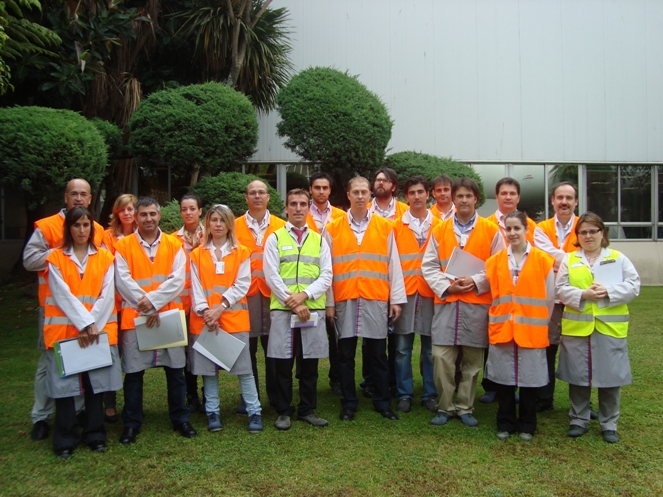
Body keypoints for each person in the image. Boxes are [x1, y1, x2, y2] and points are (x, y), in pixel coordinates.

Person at [23, 178, 104, 441]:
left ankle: (77, 411)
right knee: (51, 363)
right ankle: (42, 416)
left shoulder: (97, 229)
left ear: (90, 199)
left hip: (89, 310)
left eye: (84, 194)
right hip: (54, 309)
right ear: (65, 197)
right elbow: (28, 260)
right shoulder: (48, 227)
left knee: (83, 361)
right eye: (74, 194)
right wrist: (62, 252)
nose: (79, 198)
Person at [422, 177, 504, 428]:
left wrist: (475, 280)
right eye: (460, 196)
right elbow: (429, 266)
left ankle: (465, 407)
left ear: (476, 199)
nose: (464, 200)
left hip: (476, 305)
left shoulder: (492, 231)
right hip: (447, 304)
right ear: (452, 199)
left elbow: (498, 265)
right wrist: (448, 286)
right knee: (441, 357)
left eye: (469, 196)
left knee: (471, 362)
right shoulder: (440, 230)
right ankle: (445, 407)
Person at [114, 196, 196, 444]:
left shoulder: (174, 244)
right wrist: (148, 307)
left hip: (167, 317)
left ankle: (180, 418)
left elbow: (177, 280)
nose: (148, 218)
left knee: (175, 372)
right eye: (143, 214)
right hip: (136, 319)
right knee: (134, 374)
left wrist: (154, 304)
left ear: (159, 216)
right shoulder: (123, 246)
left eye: (152, 214)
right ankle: (131, 423)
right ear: (136, 217)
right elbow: (122, 280)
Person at [325, 176, 407, 422]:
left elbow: (394, 265)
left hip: (375, 297)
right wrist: (329, 303)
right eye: (356, 192)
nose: (360, 196)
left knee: (377, 355)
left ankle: (383, 402)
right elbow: (326, 269)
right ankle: (349, 403)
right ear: (347, 195)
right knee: (345, 355)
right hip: (345, 298)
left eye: (364, 192)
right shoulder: (332, 228)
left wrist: (395, 299)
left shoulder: (385, 227)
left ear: (370, 194)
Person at [555, 212, 640, 443]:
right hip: (578, 329)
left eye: (593, 231)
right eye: (583, 232)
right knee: (578, 376)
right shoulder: (570, 260)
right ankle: (578, 419)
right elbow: (560, 289)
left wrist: (609, 292)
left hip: (609, 329)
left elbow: (634, 286)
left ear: (602, 233)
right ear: (577, 236)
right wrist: (583, 294)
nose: (588, 235)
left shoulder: (617, 258)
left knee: (610, 378)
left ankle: (609, 423)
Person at [43, 207, 121, 458]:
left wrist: (90, 325)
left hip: (95, 331)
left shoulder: (105, 257)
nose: (81, 230)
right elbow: (62, 296)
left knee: (94, 384)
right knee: (65, 387)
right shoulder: (55, 258)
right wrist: (85, 324)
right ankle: (65, 437)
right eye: (76, 225)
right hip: (66, 332)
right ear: (68, 228)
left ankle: (95, 434)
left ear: (92, 228)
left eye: (86, 225)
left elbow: (107, 295)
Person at [189, 204, 263, 433]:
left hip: (234, 318)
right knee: (209, 370)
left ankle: (254, 411)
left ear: (229, 224)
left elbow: (242, 284)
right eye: (214, 220)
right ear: (208, 224)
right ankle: (212, 411)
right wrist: (206, 312)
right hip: (205, 320)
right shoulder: (196, 254)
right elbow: (195, 287)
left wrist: (220, 308)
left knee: (244, 369)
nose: (218, 225)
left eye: (222, 220)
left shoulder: (241, 252)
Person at [264, 189, 332, 430]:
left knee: (309, 362)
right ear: (286, 208)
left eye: (303, 204)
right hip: (284, 311)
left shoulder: (319, 239)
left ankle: (307, 408)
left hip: (311, 310)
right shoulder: (274, 238)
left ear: (308, 207)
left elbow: (327, 275)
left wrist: (304, 296)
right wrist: (292, 301)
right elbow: (271, 274)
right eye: (293, 204)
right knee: (282, 362)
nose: (298, 208)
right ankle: (283, 410)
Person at [484, 211, 555, 441]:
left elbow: (549, 299)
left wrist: (537, 321)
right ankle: (505, 423)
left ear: (526, 230)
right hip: (503, 327)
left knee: (529, 379)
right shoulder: (493, 262)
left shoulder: (543, 260)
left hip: (531, 329)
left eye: (517, 228)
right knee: (504, 380)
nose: (513, 233)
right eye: (509, 229)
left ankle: (527, 424)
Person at [481, 177, 537, 403]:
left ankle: (515, 385)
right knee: (493, 339)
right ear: (497, 196)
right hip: (492, 290)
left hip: (522, 294)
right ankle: (491, 386)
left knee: (518, 340)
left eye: (512, 193)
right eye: (503, 193)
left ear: (518, 197)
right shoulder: (486, 224)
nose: (508, 197)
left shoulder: (530, 225)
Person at [235, 180, 285, 411]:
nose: (257, 196)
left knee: (273, 348)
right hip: (244, 296)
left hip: (274, 295)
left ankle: (276, 398)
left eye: (261, 192)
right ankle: (249, 397)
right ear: (246, 197)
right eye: (252, 192)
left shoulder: (281, 226)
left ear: (268, 197)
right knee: (247, 349)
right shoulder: (233, 226)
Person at [392, 176, 439, 414]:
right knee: (402, 348)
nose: (417, 196)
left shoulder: (441, 224)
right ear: (406, 197)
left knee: (431, 349)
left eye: (421, 191)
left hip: (432, 293)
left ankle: (430, 394)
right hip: (405, 294)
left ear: (428, 194)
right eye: (412, 193)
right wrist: (394, 297)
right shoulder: (396, 226)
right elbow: (391, 264)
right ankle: (404, 393)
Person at [533, 181, 580, 413]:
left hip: (576, 299)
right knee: (547, 349)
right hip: (549, 298)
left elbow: (556, 257)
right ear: (552, 201)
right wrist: (577, 260)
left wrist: (560, 260)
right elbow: (545, 254)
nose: (564, 202)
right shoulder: (541, 228)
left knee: (577, 351)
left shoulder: (586, 226)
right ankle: (544, 398)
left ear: (576, 202)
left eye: (569, 198)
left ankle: (581, 404)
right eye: (559, 197)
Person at [365, 167, 407, 398]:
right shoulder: (365, 209)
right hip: (371, 280)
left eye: (386, 180)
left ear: (394, 186)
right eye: (377, 179)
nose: (380, 183)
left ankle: (392, 381)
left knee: (394, 337)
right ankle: (370, 381)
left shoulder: (405, 212)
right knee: (370, 337)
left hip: (397, 277)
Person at [306, 172, 345, 396]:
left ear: (330, 190)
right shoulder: (300, 213)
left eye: (325, 188)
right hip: (307, 283)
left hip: (334, 281)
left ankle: (336, 378)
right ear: (311, 189)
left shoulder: (341, 216)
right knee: (307, 334)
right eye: (317, 187)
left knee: (336, 336)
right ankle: (307, 379)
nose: (321, 191)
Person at [101, 193, 137, 423]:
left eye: (130, 209)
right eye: (122, 209)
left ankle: (134, 403)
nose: (126, 213)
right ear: (116, 212)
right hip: (112, 304)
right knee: (110, 354)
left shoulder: (142, 235)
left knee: (133, 356)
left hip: (135, 304)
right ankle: (109, 404)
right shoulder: (106, 237)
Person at [172, 194, 205, 413]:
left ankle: (209, 394)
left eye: (192, 208)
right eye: (184, 209)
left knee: (205, 349)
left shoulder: (211, 234)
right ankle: (191, 394)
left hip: (205, 303)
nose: (188, 213)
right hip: (183, 303)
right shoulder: (173, 240)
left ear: (200, 211)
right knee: (185, 353)